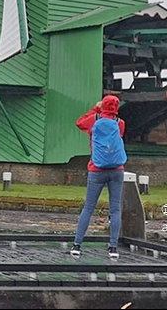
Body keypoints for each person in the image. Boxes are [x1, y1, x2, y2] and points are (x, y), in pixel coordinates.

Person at [71, 94, 125, 260]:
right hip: (117, 169)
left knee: (88, 207)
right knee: (115, 209)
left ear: (103, 105)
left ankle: (77, 245)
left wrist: (96, 108)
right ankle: (113, 248)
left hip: (96, 168)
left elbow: (79, 122)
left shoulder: (94, 120)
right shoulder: (120, 123)